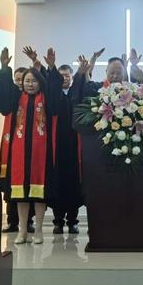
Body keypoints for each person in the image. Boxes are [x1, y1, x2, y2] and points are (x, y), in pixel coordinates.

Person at [0, 46, 62, 244]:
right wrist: (5, 68)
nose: (30, 84)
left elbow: (55, 87)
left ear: (40, 83)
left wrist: (50, 66)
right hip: (19, 153)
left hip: (41, 154)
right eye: (27, 81)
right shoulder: (16, 98)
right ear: (22, 84)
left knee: (39, 194)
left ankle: (39, 230)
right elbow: (3, 97)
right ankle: (23, 231)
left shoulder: (47, 99)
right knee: (21, 194)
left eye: (34, 81)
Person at [0, 66, 34, 233]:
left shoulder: (33, 98)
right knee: (9, 187)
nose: (20, 82)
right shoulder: (11, 97)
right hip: (10, 148)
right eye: (17, 79)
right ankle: (12, 221)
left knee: (29, 185)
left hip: (26, 148)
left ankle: (29, 222)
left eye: (23, 79)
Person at [52, 63, 83, 234]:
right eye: (61, 75)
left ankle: (72, 221)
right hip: (57, 148)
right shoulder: (53, 95)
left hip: (74, 147)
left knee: (73, 187)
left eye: (67, 76)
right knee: (58, 185)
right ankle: (58, 221)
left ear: (72, 78)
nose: (64, 78)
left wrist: (83, 72)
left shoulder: (76, 93)